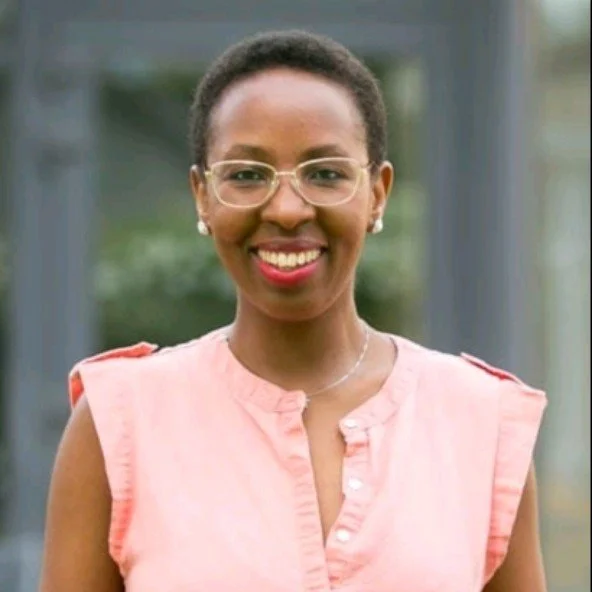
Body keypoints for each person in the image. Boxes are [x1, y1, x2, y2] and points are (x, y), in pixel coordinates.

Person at [40, 30, 548, 592]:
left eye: (325, 173)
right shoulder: (119, 421)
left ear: (377, 192)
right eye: (246, 175)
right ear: (202, 195)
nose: (286, 210)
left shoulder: (480, 423)